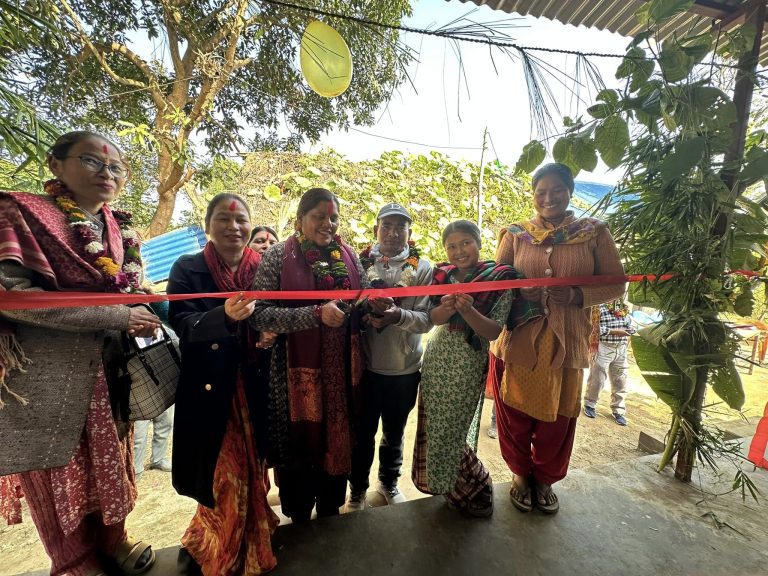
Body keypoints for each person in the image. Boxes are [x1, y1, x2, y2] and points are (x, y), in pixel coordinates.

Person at [0, 130, 159, 576]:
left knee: (111, 461)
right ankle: (73, 561)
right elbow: (12, 296)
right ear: (56, 165)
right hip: (47, 374)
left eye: (116, 167)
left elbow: (124, 289)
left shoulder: (117, 226)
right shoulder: (19, 212)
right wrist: (117, 315)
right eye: (92, 161)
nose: (107, 173)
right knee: (59, 470)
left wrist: (143, 305)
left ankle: (114, 540)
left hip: (110, 371)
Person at [490, 163, 625, 515]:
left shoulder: (594, 233)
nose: (548, 198)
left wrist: (578, 296)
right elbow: (495, 283)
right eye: (541, 192)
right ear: (533, 195)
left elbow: (616, 283)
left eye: (557, 191)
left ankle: (546, 479)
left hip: (568, 339)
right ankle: (521, 474)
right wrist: (520, 292)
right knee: (515, 412)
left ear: (570, 192)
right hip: (519, 338)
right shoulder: (516, 234)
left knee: (559, 417)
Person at [167, 193, 278, 575]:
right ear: (207, 225)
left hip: (256, 385)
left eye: (241, 219)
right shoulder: (188, 268)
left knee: (255, 469)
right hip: (212, 390)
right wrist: (223, 317)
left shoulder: (263, 267)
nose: (234, 227)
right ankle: (220, 543)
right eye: (223, 220)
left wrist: (271, 332)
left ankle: (253, 534)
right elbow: (181, 323)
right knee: (223, 474)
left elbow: (277, 313)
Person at [248, 187, 370, 523]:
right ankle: (299, 518)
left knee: (335, 453)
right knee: (298, 455)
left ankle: (330, 510)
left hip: (341, 376)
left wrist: (375, 308)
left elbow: (361, 298)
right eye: (319, 216)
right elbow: (259, 315)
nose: (328, 224)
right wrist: (315, 314)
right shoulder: (278, 256)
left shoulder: (348, 255)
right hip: (294, 379)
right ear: (300, 219)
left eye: (333, 218)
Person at [412, 220, 521, 518]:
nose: (459, 251)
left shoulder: (498, 278)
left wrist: (468, 309)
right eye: (451, 246)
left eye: (465, 243)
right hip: (437, 360)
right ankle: (455, 489)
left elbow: (492, 332)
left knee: (453, 428)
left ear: (478, 243)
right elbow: (433, 319)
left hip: (467, 363)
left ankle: (478, 483)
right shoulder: (441, 276)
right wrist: (447, 307)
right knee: (435, 426)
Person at [344, 203, 433, 512]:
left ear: (410, 232)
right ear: (376, 230)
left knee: (394, 433)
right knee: (362, 434)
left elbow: (426, 320)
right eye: (387, 226)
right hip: (365, 368)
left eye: (401, 226)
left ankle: (388, 483)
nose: (394, 233)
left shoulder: (422, 268)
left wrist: (398, 316)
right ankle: (357, 491)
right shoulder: (358, 263)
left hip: (404, 369)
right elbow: (347, 307)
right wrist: (365, 314)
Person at [583, 300, 635, 426]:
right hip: (603, 346)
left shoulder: (622, 307)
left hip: (621, 347)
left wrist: (631, 329)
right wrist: (614, 332)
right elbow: (592, 328)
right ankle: (590, 404)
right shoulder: (597, 308)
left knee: (620, 379)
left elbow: (629, 323)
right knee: (598, 378)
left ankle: (618, 410)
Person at [133, 406, 174, 478]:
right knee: (138, 434)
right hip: (140, 401)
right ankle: (135, 469)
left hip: (164, 399)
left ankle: (158, 460)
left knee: (165, 422)